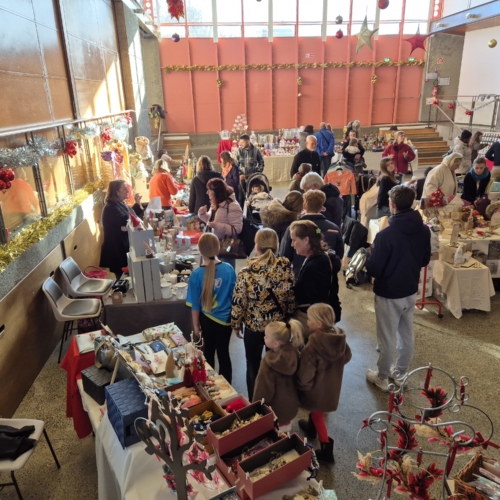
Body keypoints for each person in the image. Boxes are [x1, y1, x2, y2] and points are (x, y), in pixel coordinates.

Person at [365, 185, 431, 392]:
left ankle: (382, 376)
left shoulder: (386, 235)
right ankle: (401, 373)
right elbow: (424, 260)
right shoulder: (424, 229)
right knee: (406, 333)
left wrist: (368, 257)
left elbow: (374, 268)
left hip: (389, 292)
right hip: (410, 288)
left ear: (392, 205)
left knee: (387, 337)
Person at [231, 228, 295, 399]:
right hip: (277, 327)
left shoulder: (246, 272)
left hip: (254, 327)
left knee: (253, 365)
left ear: (256, 246)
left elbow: (239, 301)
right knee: (275, 364)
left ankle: (256, 402)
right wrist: (288, 316)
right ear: (276, 245)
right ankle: (274, 400)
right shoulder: (286, 268)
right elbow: (290, 296)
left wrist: (236, 324)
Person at [296, 303, 351, 463]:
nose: (307, 321)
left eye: (309, 319)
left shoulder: (312, 347)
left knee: (318, 414)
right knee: (317, 411)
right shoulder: (338, 338)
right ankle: (310, 428)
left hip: (316, 390)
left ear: (319, 324)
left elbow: (305, 376)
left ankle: (326, 449)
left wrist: (302, 388)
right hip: (331, 388)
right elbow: (347, 356)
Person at [187, 233, 236, 383]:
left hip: (206, 320)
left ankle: (208, 386)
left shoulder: (196, 274)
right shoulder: (229, 269)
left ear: (199, 250)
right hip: (225, 320)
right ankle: (227, 388)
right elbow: (234, 297)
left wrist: (196, 325)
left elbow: (195, 305)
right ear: (218, 247)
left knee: (208, 353)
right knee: (224, 354)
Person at [290, 220, 341, 333]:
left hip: (312, 321)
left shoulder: (315, 267)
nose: (292, 244)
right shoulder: (322, 257)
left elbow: (317, 301)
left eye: (294, 240)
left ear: (306, 240)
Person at [252, 319, 303, 430]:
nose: (264, 337)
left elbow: (263, 389)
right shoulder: (295, 353)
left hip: (274, 409)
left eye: (266, 336)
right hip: (290, 406)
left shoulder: (269, 363)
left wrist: (257, 406)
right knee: (286, 430)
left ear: (276, 344)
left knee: (275, 434)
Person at [280, 190, 344, 277]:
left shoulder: (293, 229)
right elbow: (339, 254)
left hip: (300, 276)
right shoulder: (334, 228)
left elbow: (285, 256)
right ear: (321, 207)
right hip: (326, 276)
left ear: (304, 206)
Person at [198, 178, 243, 268]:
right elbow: (210, 221)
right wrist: (202, 214)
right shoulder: (216, 203)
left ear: (216, 191)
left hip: (225, 247)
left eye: (209, 190)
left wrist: (217, 226)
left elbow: (237, 229)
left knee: (225, 272)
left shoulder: (233, 206)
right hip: (212, 244)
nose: (207, 192)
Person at [100, 180, 136, 279]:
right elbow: (126, 220)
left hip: (122, 247)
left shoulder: (120, 203)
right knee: (122, 279)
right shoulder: (111, 207)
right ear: (117, 192)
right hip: (116, 251)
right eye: (124, 189)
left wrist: (137, 204)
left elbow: (132, 217)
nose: (128, 191)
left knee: (126, 277)